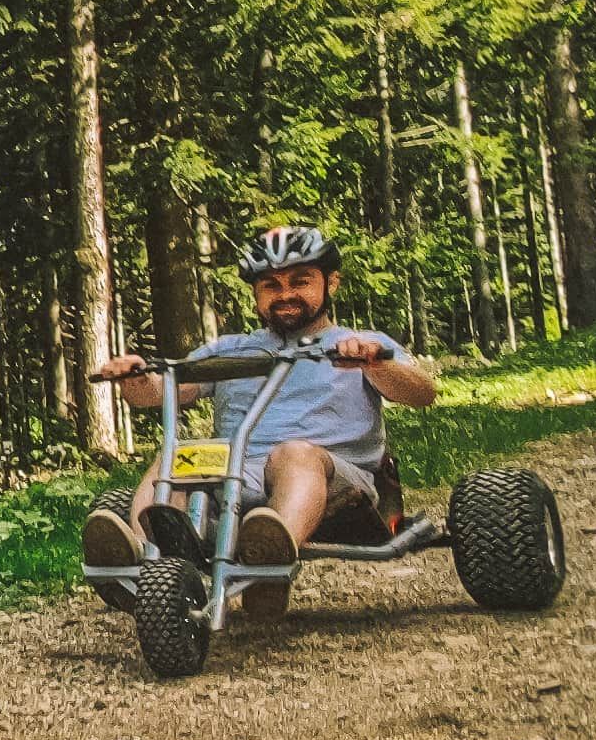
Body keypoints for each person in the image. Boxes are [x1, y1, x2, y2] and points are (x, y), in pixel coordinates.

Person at [80, 223, 435, 614]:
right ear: (256, 293)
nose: (285, 295)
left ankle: (268, 561)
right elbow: (158, 393)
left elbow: (422, 393)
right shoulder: (232, 350)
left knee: (293, 453)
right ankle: (146, 564)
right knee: (177, 457)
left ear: (331, 283)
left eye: (300, 282)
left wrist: (374, 365)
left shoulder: (362, 344)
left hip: (336, 483)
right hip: (236, 480)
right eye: (271, 286)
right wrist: (134, 377)